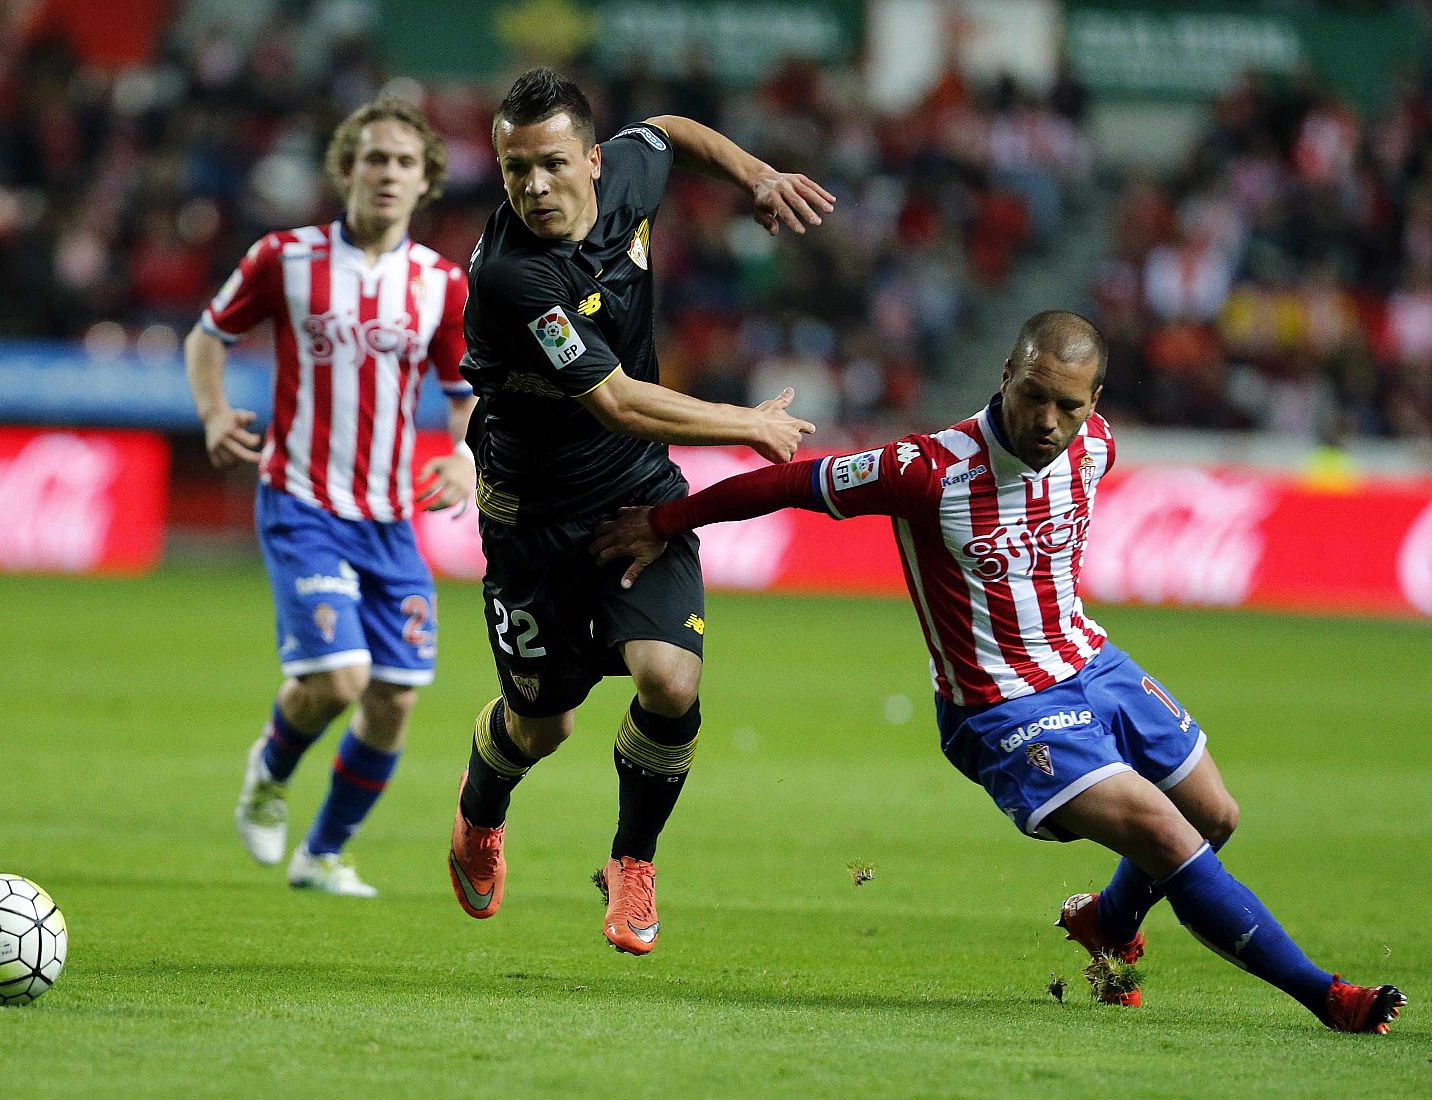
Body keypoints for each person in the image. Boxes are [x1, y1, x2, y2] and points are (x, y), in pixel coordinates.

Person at [591, 310, 1407, 1032]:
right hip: (1001, 707)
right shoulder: (924, 470)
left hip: (1093, 663)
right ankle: (1323, 995)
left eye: (1071, 406)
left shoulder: (1098, 446)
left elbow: (1069, 484)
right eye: (1035, 397)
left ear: (1094, 404)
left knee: (1216, 815)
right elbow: (786, 482)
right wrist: (665, 520)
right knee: (1168, 834)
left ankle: (1110, 922)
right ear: (1005, 376)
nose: (1050, 421)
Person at [447, 67, 833, 955]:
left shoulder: (629, 168)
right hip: (534, 520)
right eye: (514, 171)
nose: (533, 187)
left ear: (591, 158)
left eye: (549, 164)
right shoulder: (514, 275)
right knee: (543, 725)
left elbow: (669, 126)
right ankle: (479, 813)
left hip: (636, 490)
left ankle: (631, 862)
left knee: (671, 680)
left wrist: (757, 176)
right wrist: (745, 423)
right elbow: (616, 400)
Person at [184, 96, 477, 897]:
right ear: (347, 169)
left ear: (426, 184)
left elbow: (464, 387)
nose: (388, 172)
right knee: (341, 679)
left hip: (390, 518)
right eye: (375, 157)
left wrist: (461, 454)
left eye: (405, 162)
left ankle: (322, 853)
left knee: (394, 699)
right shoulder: (285, 258)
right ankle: (268, 772)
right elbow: (206, 337)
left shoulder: (442, 286)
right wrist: (213, 412)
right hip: (301, 499)